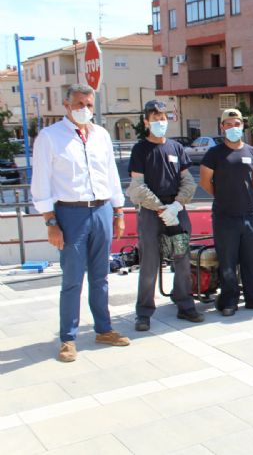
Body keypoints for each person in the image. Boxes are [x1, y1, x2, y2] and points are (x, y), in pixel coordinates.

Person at [31, 83, 130, 362]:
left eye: (88, 105)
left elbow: (111, 174)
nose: (84, 109)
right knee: (73, 279)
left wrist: (119, 212)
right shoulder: (50, 137)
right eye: (79, 104)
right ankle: (68, 338)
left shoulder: (101, 135)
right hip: (70, 214)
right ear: (67, 105)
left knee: (101, 276)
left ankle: (104, 329)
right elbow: (40, 182)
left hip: (101, 211)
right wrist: (51, 221)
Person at [127, 100, 203, 331]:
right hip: (152, 214)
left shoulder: (176, 148)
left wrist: (177, 206)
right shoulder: (140, 149)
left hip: (177, 212)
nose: (160, 122)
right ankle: (144, 312)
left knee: (182, 259)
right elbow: (137, 186)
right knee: (150, 263)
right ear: (146, 122)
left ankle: (185, 304)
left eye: (163, 117)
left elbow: (188, 181)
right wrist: (161, 208)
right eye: (155, 118)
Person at [199, 108, 253, 316]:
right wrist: (224, 196)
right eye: (228, 124)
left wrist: (242, 195)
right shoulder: (214, 154)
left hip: (250, 215)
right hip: (225, 217)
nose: (233, 128)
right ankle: (229, 300)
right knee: (228, 262)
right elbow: (205, 182)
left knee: (251, 260)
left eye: (236, 124)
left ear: (242, 126)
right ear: (222, 127)